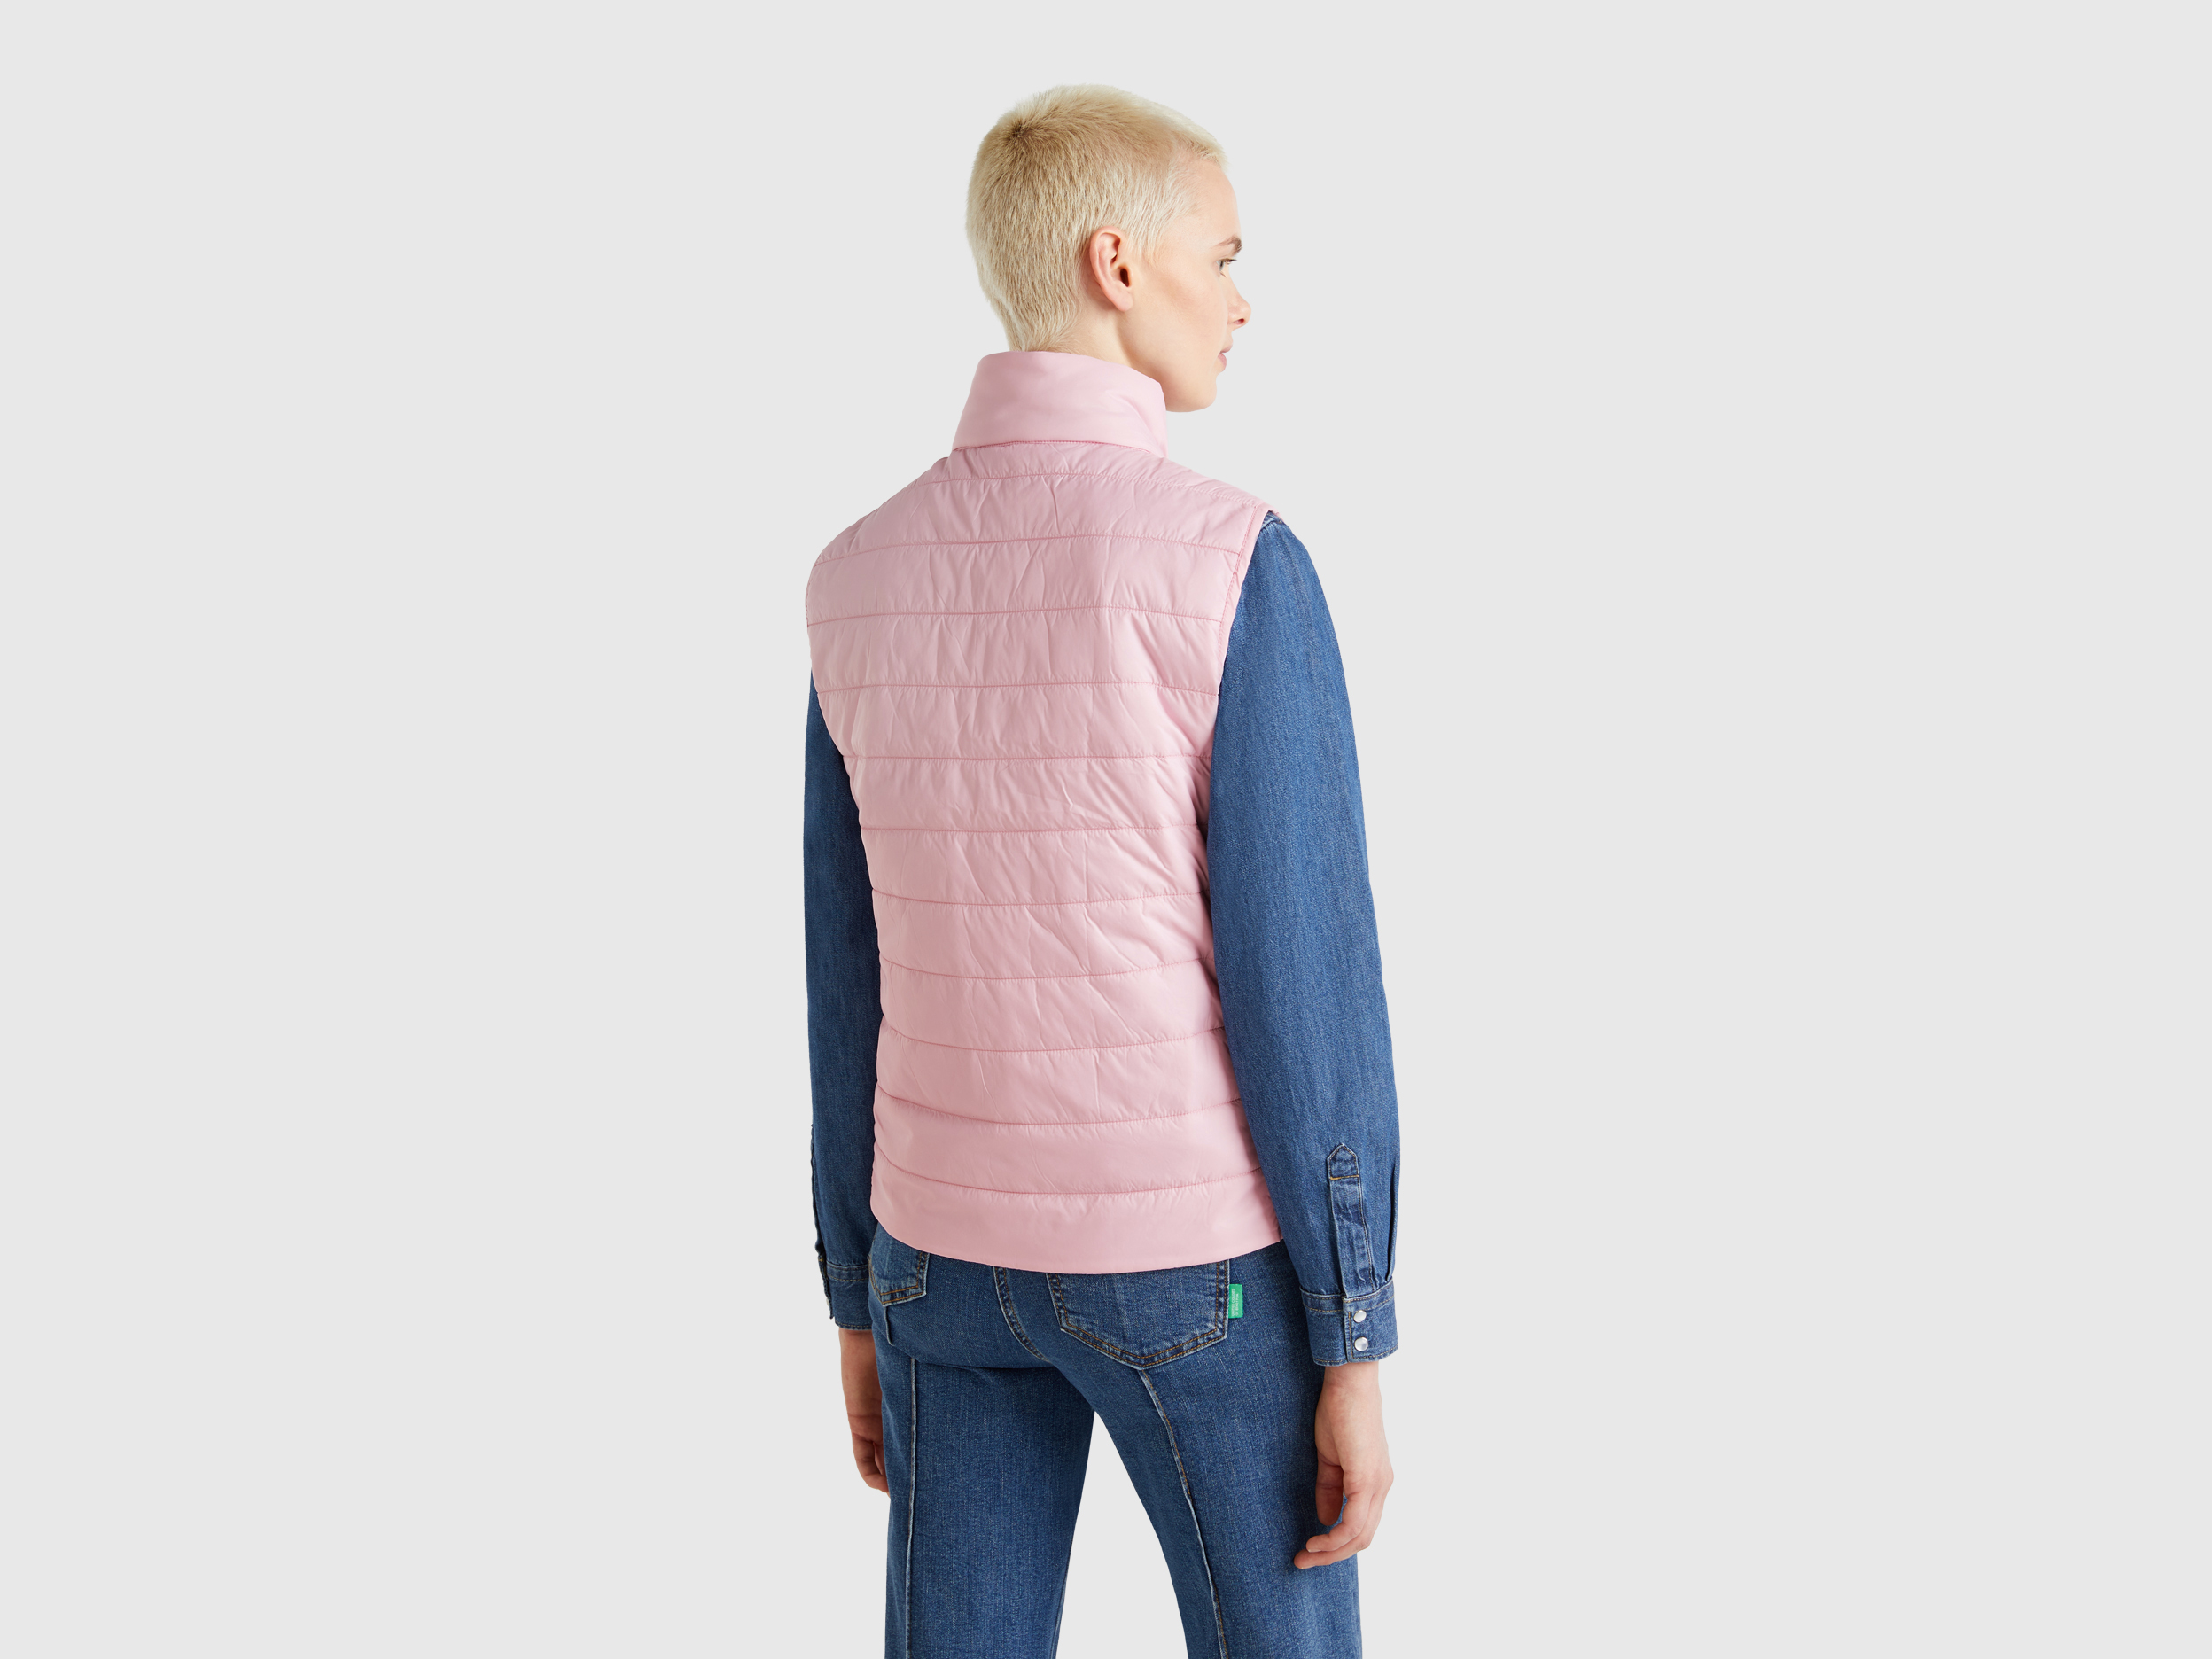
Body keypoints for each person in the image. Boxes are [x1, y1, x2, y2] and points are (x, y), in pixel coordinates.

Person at [803, 84, 1402, 1657]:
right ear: (1118, 264)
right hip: (1186, 1270)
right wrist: (1354, 1331)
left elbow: (842, 968)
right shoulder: (1233, 557)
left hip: (937, 1263)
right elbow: (1304, 977)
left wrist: (858, 1290)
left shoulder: (854, 574)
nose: (1244, 300)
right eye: (1226, 255)